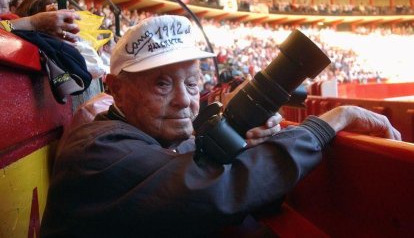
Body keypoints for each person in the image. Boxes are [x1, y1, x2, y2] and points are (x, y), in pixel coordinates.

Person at [40, 15, 401, 237]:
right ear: (115, 88)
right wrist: (330, 123)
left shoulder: (157, 136)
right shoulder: (97, 152)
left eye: (193, 83)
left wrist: (248, 148)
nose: (184, 100)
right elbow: (215, 191)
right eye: (162, 84)